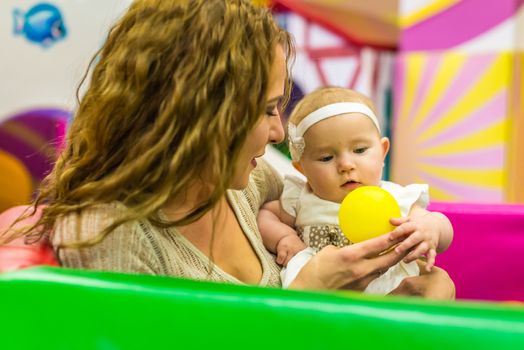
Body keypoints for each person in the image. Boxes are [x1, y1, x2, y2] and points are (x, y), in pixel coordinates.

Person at [1, 0, 454, 298]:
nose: (278, 132)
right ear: (198, 116)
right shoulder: (113, 234)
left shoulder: (247, 180)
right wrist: (307, 293)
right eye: (265, 111)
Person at [257, 87, 454, 293]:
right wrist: (284, 237)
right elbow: (266, 214)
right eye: (326, 158)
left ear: (382, 151)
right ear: (301, 168)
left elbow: (440, 225)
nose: (346, 165)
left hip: (392, 288)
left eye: (359, 150)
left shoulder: (396, 197)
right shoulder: (301, 197)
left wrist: (431, 228)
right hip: (326, 292)